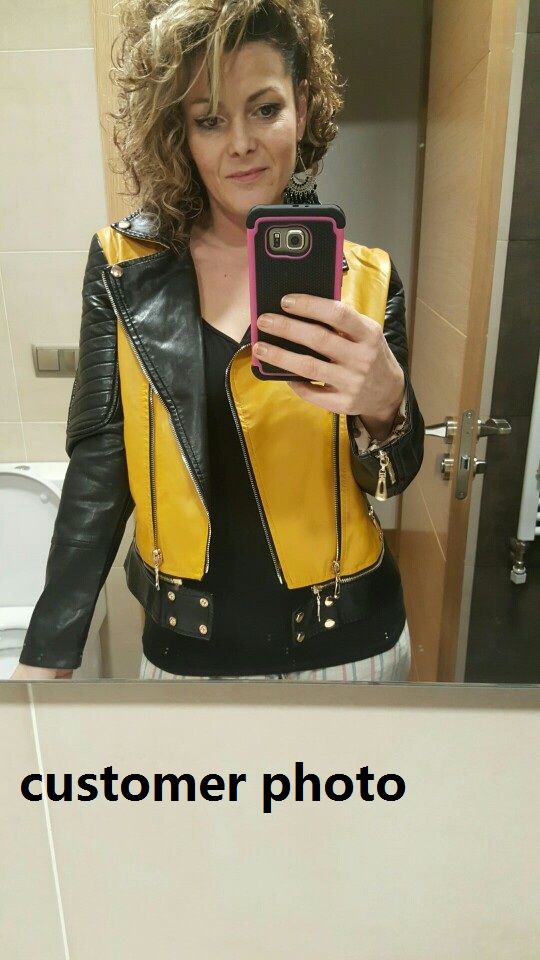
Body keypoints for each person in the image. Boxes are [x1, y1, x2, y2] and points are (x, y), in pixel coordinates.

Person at [12, 0, 424, 682]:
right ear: (180, 130)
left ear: (302, 106)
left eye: (265, 109)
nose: (240, 143)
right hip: (187, 653)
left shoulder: (368, 279)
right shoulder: (123, 268)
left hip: (350, 645)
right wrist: (46, 657)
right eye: (209, 119)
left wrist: (387, 407)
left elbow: (389, 480)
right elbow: (100, 470)